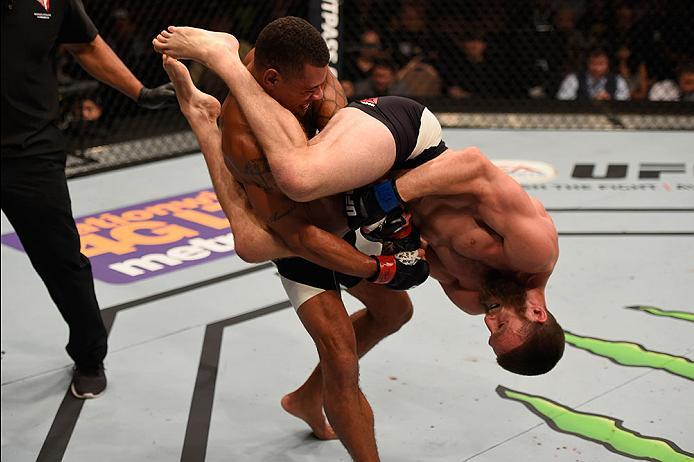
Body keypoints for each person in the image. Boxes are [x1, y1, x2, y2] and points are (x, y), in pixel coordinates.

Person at [151, 26, 565, 375]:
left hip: (376, 186)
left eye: (490, 334)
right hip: (408, 144)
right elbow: (472, 166)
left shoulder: (472, 298)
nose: (489, 321)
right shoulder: (533, 250)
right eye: (501, 326)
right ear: (537, 314)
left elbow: (416, 247)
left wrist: (394, 257)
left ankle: (205, 121)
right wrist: (388, 196)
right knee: (299, 176)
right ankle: (225, 58)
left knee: (252, 244)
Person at [158, 18, 426, 462]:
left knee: (394, 311)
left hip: (334, 210)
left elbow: (344, 134)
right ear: (271, 79)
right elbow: (299, 236)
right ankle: (205, 120)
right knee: (338, 355)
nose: (318, 95)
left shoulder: (309, 76)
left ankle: (305, 397)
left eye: (322, 84)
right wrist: (377, 268)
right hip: (300, 230)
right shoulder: (245, 141)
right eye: (308, 91)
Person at [1, 0, 176, 399]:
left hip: (31, 152)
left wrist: (139, 91)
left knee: (61, 259)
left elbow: (88, 45)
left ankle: (89, 356)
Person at [556, 47, 630, 101]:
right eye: (593, 63)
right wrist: (591, 101)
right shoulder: (573, 79)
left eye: (601, 63)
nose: (597, 68)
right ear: (587, 63)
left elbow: (625, 101)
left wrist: (610, 100)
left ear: (608, 64)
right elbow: (563, 100)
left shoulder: (618, 80)